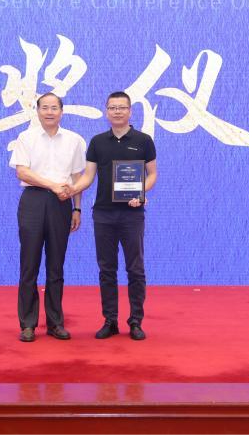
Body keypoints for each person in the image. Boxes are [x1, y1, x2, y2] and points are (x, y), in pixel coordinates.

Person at [70, 91, 157, 341]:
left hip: (132, 214)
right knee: (106, 269)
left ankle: (136, 321)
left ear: (130, 111)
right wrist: (71, 190)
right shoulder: (97, 142)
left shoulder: (143, 140)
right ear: (106, 111)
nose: (117, 111)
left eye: (122, 107)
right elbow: (88, 177)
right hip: (103, 214)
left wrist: (141, 192)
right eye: (112, 107)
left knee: (135, 268)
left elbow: (152, 174)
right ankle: (110, 320)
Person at [9, 92, 85, 342]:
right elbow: (22, 172)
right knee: (29, 264)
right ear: (37, 110)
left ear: (62, 112)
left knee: (56, 265)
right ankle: (28, 324)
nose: (49, 112)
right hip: (33, 200)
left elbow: (77, 177)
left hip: (62, 203)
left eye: (54, 108)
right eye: (45, 108)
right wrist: (52, 185)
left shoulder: (74, 140)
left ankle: (55, 323)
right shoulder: (26, 137)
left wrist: (77, 208)